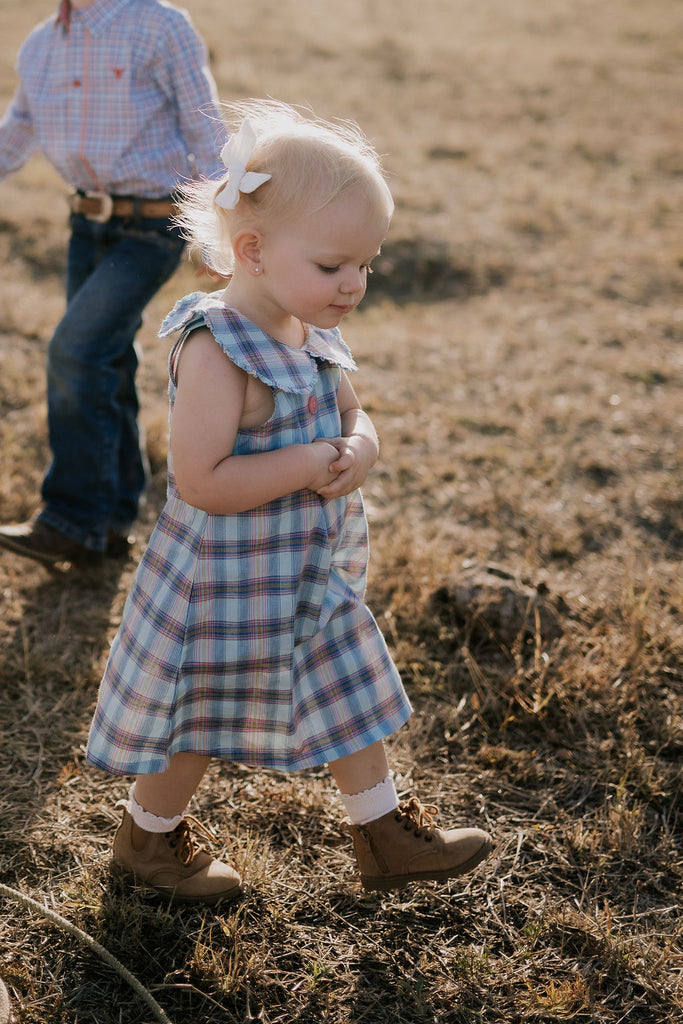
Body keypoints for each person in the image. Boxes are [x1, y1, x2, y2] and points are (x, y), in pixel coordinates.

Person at [85, 100, 493, 904]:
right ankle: (148, 838)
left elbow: (350, 413)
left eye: (366, 264)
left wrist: (361, 445)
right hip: (222, 584)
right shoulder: (216, 349)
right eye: (334, 265)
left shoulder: (311, 333)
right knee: (192, 721)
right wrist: (309, 459)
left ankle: (381, 835)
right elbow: (200, 481)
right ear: (253, 252)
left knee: (352, 681)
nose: (354, 285)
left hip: (303, 570)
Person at [0, 0, 225, 567]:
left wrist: (226, 232)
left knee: (74, 351)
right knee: (105, 358)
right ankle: (115, 514)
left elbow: (206, 129)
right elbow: (18, 129)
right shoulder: (40, 44)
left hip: (151, 227)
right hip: (86, 226)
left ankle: (73, 517)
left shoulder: (159, 26)